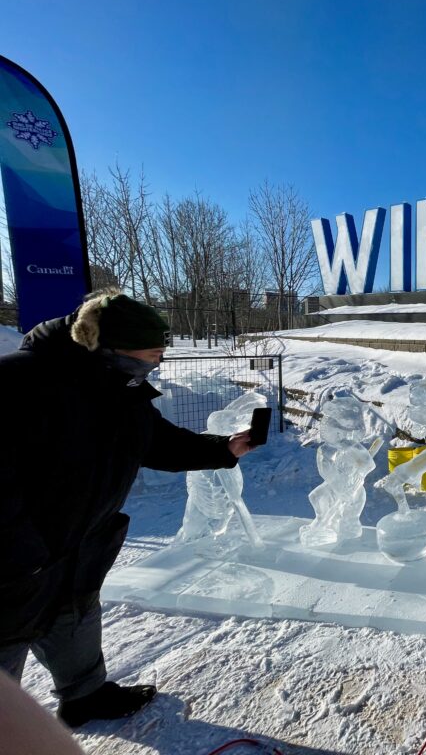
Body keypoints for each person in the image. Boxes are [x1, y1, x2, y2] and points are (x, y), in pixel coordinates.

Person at [0, 288, 254, 728]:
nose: (157, 361)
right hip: (13, 562)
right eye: (152, 352)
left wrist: (223, 449)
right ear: (108, 346)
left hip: (79, 546)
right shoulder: (19, 382)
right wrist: (22, 554)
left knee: (75, 620)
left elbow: (156, 441)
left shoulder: (120, 385)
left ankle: (85, 696)